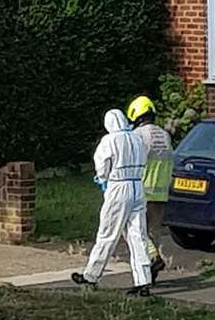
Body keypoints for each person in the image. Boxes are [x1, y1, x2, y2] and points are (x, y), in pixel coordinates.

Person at [72, 109, 153, 296]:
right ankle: (144, 281)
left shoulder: (109, 141)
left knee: (107, 234)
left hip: (118, 187)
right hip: (138, 186)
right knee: (138, 236)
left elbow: (102, 167)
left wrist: (103, 179)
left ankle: (91, 275)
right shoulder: (137, 138)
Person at [127, 94, 172, 282]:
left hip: (143, 190)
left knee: (135, 230)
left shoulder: (138, 136)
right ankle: (151, 272)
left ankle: (154, 259)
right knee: (154, 232)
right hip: (161, 193)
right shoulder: (164, 135)